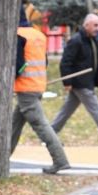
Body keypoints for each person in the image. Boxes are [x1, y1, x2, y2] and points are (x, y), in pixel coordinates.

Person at [51, 14, 98, 148]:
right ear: (86, 25)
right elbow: (65, 62)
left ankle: (49, 134)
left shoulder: (92, 40)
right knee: (96, 108)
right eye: (95, 25)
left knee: (66, 111)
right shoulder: (76, 41)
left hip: (87, 81)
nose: (97, 29)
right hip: (80, 82)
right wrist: (67, 82)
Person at [11, 12, 70, 174]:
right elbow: (44, 61)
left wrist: (8, 82)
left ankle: (60, 160)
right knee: (14, 125)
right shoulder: (38, 35)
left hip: (25, 88)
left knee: (41, 126)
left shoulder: (18, 35)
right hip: (37, 85)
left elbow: (17, 64)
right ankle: (3, 157)